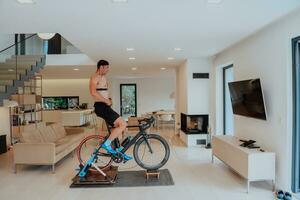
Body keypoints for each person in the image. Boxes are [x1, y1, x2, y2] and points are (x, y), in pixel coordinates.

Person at [89, 60, 132, 161]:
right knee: (123, 124)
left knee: (118, 128)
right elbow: (93, 92)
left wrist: (108, 100)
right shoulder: (95, 77)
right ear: (101, 67)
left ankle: (119, 151)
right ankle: (107, 144)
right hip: (101, 106)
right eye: (106, 68)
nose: (108, 70)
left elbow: (102, 92)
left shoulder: (103, 77)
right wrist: (105, 100)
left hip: (105, 106)